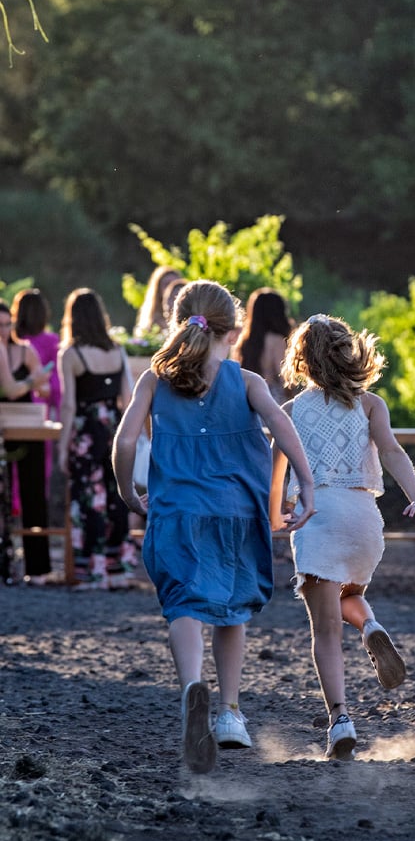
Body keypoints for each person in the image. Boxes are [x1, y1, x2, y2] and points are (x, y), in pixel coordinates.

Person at [113, 280, 315, 774]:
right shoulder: (246, 381)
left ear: (176, 322)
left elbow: (123, 443)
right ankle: (228, 711)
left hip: (176, 510)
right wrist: (306, 482)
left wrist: (126, 491)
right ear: (234, 328)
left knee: (182, 602)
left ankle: (189, 693)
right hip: (236, 513)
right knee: (230, 610)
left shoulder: (154, 382)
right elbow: (284, 429)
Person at [269, 313, 415, 761]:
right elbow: (394, 453)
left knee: (324, 631)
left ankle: (340, 718)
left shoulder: (289, 412)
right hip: (364, 521)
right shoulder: (370, 405)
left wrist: (274, 519)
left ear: (301, 361)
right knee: (349, 595)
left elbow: (276, 474)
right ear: (347, 353)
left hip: (318, 518)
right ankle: (371, 625)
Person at [58, 288, 138, 587]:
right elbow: (127, 396)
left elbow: (68, 404)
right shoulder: (117, 350)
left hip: (85, 432)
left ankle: (92, 570)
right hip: (114, 431)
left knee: (89, 500)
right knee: (116, 497)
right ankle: (119, 569)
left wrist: (62, 446)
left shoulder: (71, 354)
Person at [0, 299, 52, 581]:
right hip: (4, 429)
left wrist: (36, 382)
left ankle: (38, 567)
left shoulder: (25, 350)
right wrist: (31, 382)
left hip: (26, 426)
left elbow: (44, 389)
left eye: (8, 324)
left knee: (34, 493)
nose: (4, 330)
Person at [11, 288, 62, 499]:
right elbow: (57, 387)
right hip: (39, 417)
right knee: (38, 472)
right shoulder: (51, 341)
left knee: (12, 469)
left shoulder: (12, 344)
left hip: (12, 413)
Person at [233, 287, 296, 405]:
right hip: (271, 397)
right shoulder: (277, 340)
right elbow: (284, 377)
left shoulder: (243, 340)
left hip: (247, 396)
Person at [134, 265, 183, 338]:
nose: (171, 288)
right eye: (166, 284)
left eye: (175, 284)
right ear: (157, 289)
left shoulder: (187, 320)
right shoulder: (151, 323)